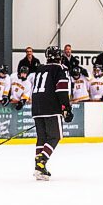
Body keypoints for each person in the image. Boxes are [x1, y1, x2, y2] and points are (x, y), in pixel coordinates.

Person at [31, 46, 73, 181]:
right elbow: (61, 89)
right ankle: (41, 160)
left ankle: (38, 169)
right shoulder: (60, 69)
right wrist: (66, 107)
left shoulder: (39, 68)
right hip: (51, 106)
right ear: (59, 56)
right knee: (55, 136)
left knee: (42, 137)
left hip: (36, 107)